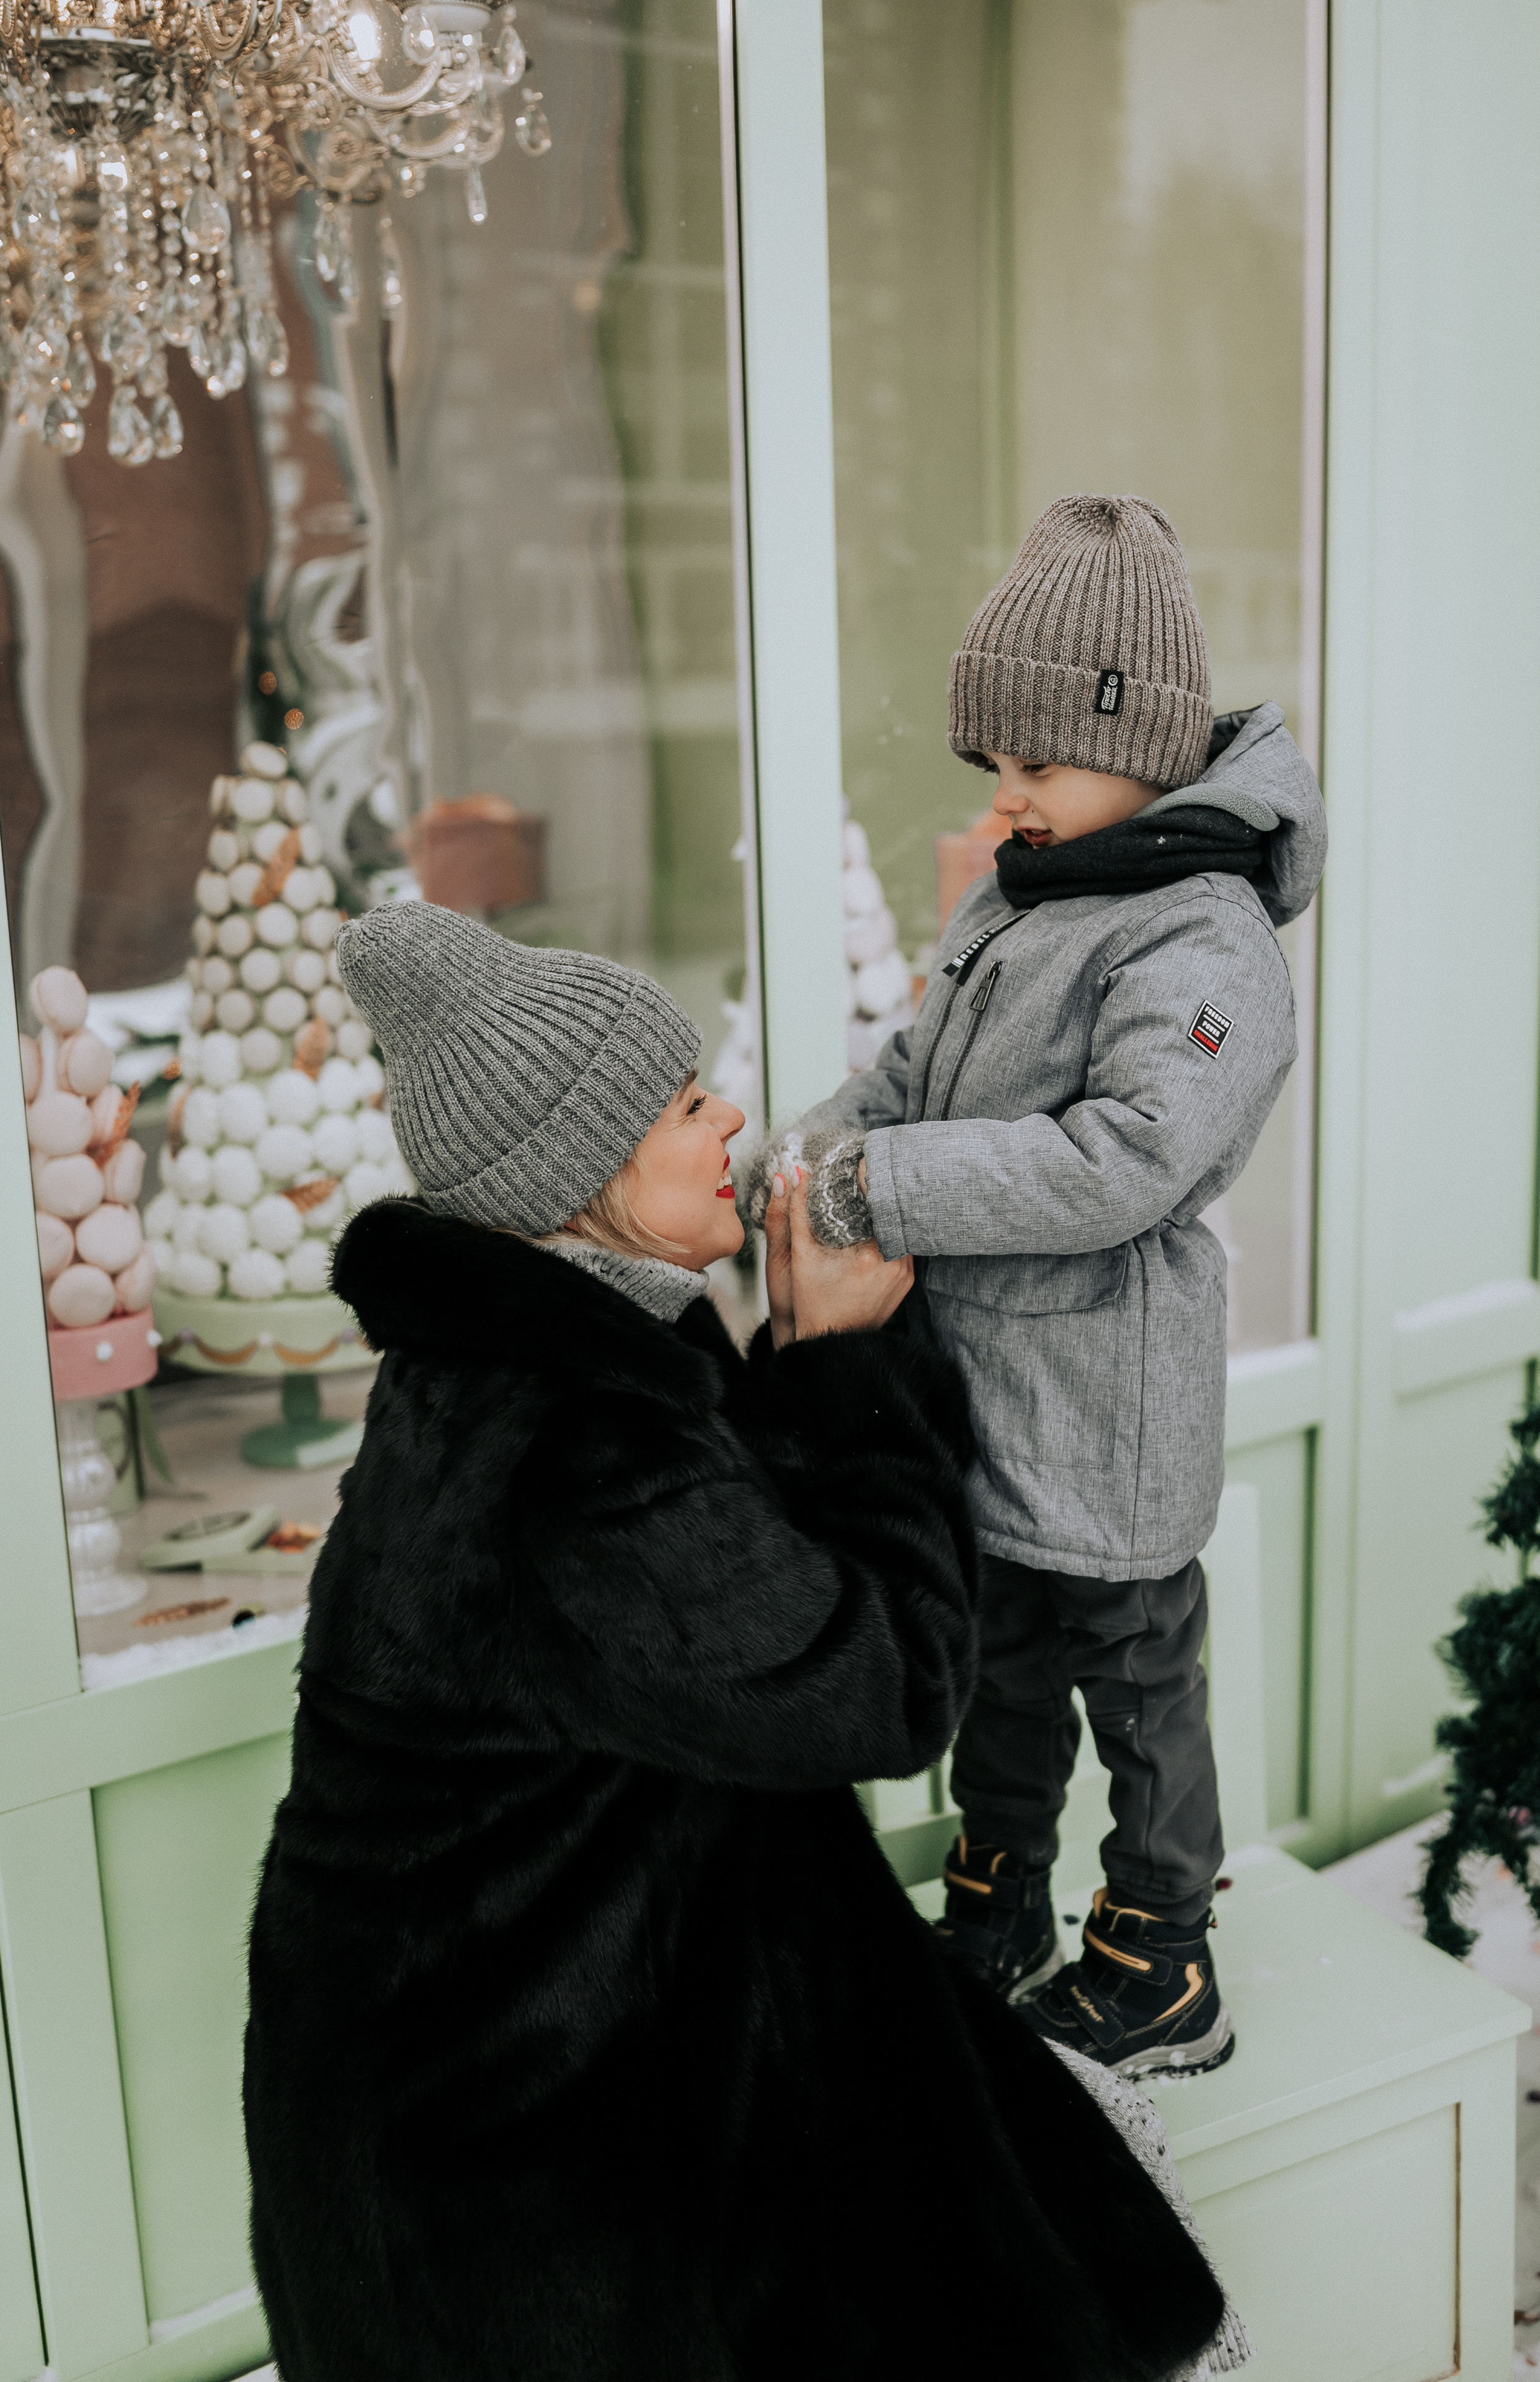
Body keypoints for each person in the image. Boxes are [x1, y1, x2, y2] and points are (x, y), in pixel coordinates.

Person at [243, 901, 1231, 2382]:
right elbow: (880, 1688)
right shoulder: (568, 1454)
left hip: (553, 2059)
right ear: (577, 1173)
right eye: (684, 1101)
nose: (734, 1120)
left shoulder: (557, 1352)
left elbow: (732, 1598)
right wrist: (842, 1366)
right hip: (513, 2166)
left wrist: (792, 1358)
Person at [777, 493, 1327, 2079]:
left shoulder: (1203, 938)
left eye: (1033, 766)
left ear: (1138, 743)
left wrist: (880, 1189)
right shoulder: (1029, 886)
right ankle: (996, 1894)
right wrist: (808, 1156)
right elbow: (910, 1072)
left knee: (1137, 1687)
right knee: (997, 1669)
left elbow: (1125, 1158)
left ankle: (1158, 1954)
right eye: (991, 771)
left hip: (1107, 1408)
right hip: (986, 1397)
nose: (1004, 802)